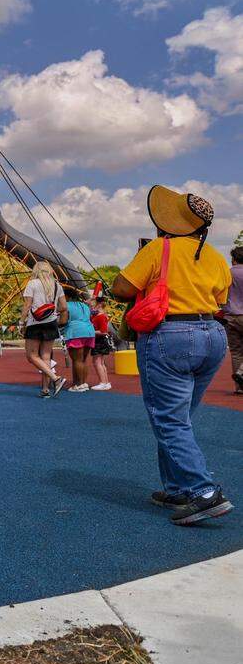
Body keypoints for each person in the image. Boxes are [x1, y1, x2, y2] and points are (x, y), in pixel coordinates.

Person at [111, 185, 232, 526]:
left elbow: (122, 288)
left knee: (169, 419)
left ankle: (204, 491)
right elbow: (220, 299)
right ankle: (178, 487)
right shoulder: (216, 256)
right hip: (212, 335)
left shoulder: (159, 249)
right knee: (180, 417)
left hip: (169, 335)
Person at [19, 260, 68, 397]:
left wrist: (21, 322)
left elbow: (27, 305)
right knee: (46, 356)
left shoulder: (32, 284)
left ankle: (56, 379)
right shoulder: (57, 286)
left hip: (35, 323)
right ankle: (45, 389)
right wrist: (52, 310)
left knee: (32, 356)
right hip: (51, 322)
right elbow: (64, 307)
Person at [61, 287, 96, 392]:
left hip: (75, 332)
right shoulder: (84, 306)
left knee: (77, 360)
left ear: (66, 296)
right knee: (83, 360)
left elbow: (63, 321)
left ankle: (79, 384)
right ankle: (82, 383)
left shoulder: (66, 306)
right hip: (89, 331)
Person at [224, 245, 243, 395]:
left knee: (236, 352)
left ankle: (239, 387)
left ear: (234, 259)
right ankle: (242, 372)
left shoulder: (227, 273)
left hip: (230, 316)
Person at [89, 295, 114, 391]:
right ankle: (105, 382)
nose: (91, 306)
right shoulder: (99, 315)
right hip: (99, 340)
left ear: (98, 305)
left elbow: (103, 331)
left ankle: (103, 382)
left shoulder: (101, 316)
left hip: (100, 340)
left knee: (97, 362)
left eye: (93, 304)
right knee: (101, 362)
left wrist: (90, 331)